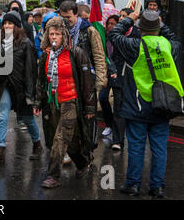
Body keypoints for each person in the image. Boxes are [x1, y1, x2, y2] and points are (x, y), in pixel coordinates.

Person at [108, 10, 182, 198]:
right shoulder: (169, 45)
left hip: (138, 105)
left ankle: (133, 185)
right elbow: (174, 38)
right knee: (159, 148)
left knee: (136, 147)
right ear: (159, 27)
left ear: (140, 28)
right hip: (163, 104)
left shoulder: (134, 45)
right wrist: (160, 23)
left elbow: (114, 35)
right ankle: (157, 187)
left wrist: (129, 19)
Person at [34, 17, 97, 188]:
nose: (54, 37)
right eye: (51, 34)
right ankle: (83, 163)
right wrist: (37, 103)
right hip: (53, 102)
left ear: (64, 35)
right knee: (71, 140)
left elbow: (87, 82)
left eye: (58, 34)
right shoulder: (47, 54)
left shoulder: (77, 53)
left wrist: (90, 107)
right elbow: (41, 81)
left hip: (71, 102)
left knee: (60, 140)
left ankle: (53, 176)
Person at [0, 11, 42, 164]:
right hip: (4, 86)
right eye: (5, 23)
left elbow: (31, 70)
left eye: (10, 23)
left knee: (27, 119)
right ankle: (0, 150)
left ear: (17, 26)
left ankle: (37, 144)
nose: (7, 26)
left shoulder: (26, 43)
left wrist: (31, 94)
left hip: (21, 87)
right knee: (2, 117)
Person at [98, 15, 126, 149]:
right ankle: (109, 124)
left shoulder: (120, 39)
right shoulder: (104, 37)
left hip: (116, 75)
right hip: (106, 73)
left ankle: (117, 139)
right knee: (102, 98)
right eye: (108, 24)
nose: (110, 26)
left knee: (118, 107)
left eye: (113, 24)